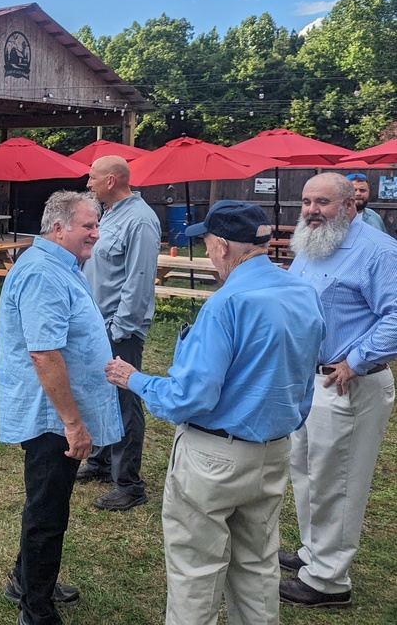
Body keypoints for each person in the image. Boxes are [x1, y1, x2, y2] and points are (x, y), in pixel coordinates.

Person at [106, 201, 325, 625]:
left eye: (206, 244)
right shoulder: (302, 292)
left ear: (223, 246)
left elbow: (190, 397)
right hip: (274, 449)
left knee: (196, 570)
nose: (207, 253)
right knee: (258, 564)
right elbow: (303, 378)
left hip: (214, 457)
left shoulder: (226, 304)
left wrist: (135, 380)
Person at [0, 191, 123, 625]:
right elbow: (44, 354)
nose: (96, 233)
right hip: (52, 418)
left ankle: (25, 580)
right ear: (58, 227)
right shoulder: (43, 274)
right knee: (47, 514)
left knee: (47, 503)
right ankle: (36, 610)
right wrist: (73, 424)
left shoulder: (60, 266)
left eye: (96, 225)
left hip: (58, 413)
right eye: (88, 225)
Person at [279, 172, 397, 609]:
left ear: (349, 205)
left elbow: (396, 315)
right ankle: (314, 552)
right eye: (307, 201)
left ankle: (328, 581)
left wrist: (356, 360)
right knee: (307, 472)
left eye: (322, 202)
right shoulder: (313, 243)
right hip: (307, 380)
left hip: (347, 383)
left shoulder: (378, 251)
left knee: (339, 482)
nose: (311, 210)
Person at [80, 155, 161, 511]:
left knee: (124, 401)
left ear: (111, 180)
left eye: (93, 177)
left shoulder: (140, 220)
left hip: (119, 329)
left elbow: (139, 281)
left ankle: (129, 484)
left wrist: (120, 329)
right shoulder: (110, 214)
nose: (88, 184)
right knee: (101, 393)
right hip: (99, 325)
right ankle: (100, 461)